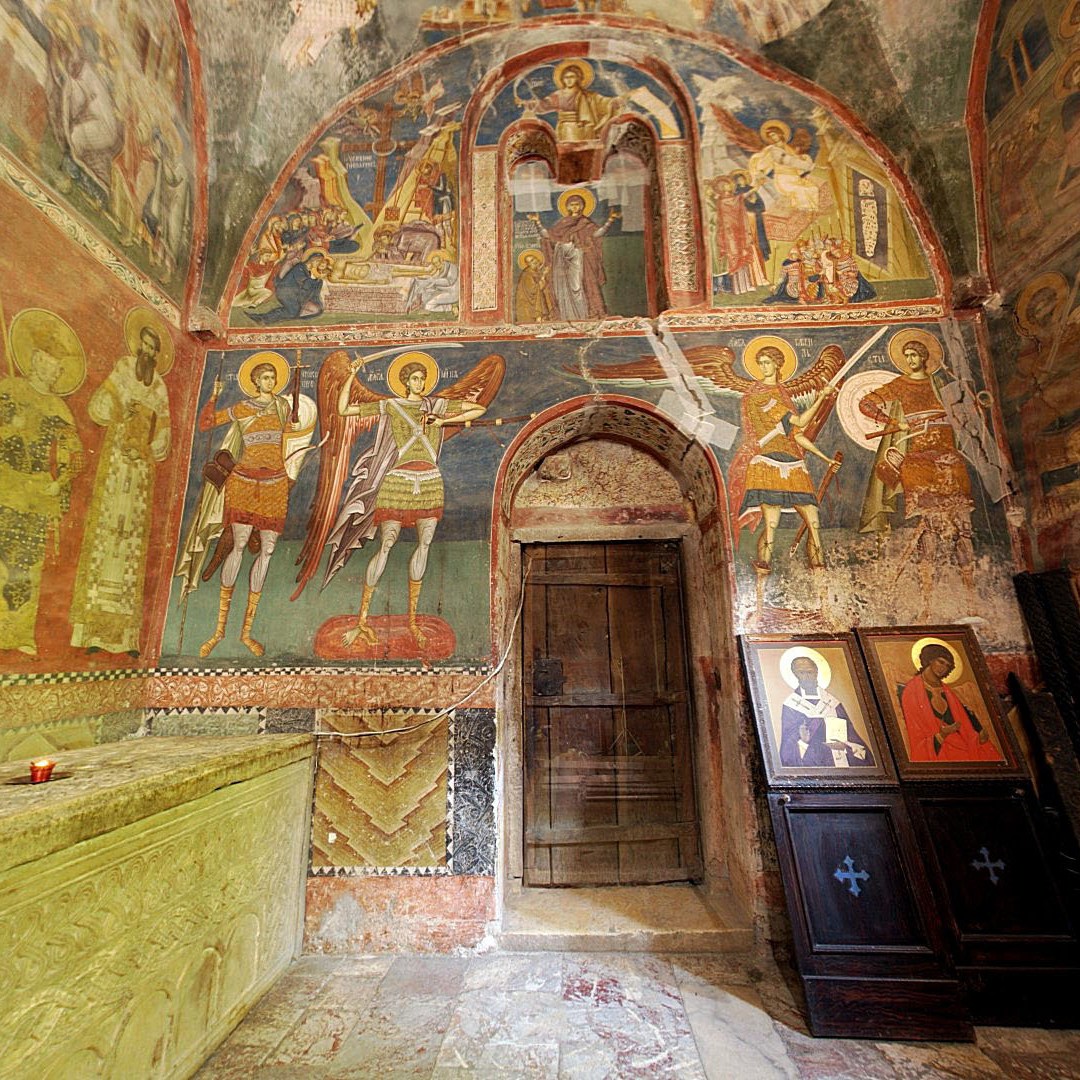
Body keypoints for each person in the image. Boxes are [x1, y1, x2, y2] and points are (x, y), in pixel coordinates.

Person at [328, 356, 487, 647]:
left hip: (430, 480)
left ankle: (413, 621)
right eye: (414, 378)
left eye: (422, 378)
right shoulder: (392, 405)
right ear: (405, 382)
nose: (420, 383)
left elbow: (479, 408)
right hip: (398, 480)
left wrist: (443, 420)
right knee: (386, 544)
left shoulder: (437, 405)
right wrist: (351, 375)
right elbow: (344, 409)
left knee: (424, 544)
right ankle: (362, 620)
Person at [69, 315, 171, 655]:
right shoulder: (124, 369)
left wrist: (151, 433)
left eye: (153, 349)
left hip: (140, 473)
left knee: (132, 546)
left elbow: (164, 439)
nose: (147, 352)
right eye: (145, 345)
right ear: (137, 345)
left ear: (157, 354)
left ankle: (126, 637)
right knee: (105, 535)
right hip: (115, 464)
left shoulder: (159, 387)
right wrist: (122, 410)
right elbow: (98, 408)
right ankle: (92, 632)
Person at [195, 360, 300, 656]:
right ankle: (218, 631)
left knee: (268, 550)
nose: (270, 381)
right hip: (243, 482)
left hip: (274, 483)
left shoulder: (282, 406)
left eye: (273, 377)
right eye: (265, 377)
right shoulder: (243, 408)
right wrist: (214, 395)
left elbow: (293, 432)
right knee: (238, 545)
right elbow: (206, 423)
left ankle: (247, 633)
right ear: (255, 382)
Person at [858, 333, 974, 591]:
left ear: (924, 357)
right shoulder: (900, 384)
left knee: (962, 523)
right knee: (929, 525)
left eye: (914, 355)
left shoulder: (940, 382)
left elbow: (963, 408)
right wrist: (892, 421)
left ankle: (969, 587)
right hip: (918, 457)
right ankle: (926, 589)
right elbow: (866, 403)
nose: (910, 360)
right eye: (907, 356)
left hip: (948, 455)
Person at [0, 321, 84, 655]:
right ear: (35, 360)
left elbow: (75, 457)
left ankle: (18, 634)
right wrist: (10, 426)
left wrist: (58, 483)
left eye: (59, 366)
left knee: (26, 564)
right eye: (50, 362)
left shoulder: (59, 409)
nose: (55, 370)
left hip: (36, 496)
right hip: (6, 484)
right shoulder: (9, 389)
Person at [730, 344, 839, 572]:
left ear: (778, 364)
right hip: (767, 461)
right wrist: (821, 396)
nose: (763, 367)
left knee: (814, 522)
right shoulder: (759, 395)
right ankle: (763, 568)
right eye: (760, 363)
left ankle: (819, 569)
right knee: (771, 523)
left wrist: (825, 458)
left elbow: (796, 434)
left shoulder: (782, 394)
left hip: (793, 462)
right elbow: (800, 422)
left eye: (767, 362)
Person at [899, 643, 1002, 762]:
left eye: (947, 666)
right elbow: (917, 735)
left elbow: (965, 728)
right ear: (930, 659)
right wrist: (942, 735)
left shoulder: (949, 694)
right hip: (935, 750)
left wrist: (978, 739)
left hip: (961, 747)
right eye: (941, 662)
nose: (943, 667)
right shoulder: (912, 691)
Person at [529, 193, 618, 320]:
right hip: (561, 260)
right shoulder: (562, 223)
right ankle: (566, 315)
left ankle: (586, 314)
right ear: (568, 207)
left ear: (582, 206)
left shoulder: (585, 223)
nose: (575, 207)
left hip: (579, 260)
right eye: (572, 205)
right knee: (562, 288)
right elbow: (547, 235)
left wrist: (610, 220)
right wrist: (537, 222)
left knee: (581, 285)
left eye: (577, 204)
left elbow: (597, 234)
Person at [779, 655, 873, 767]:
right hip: (813, 763)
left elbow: (852, 736)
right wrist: (803, 742)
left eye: (810, 672)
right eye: (801, 673)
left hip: (839, 760)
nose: (807, 676)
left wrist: (847, 746)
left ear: (816, 672)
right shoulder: (792, 705)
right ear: (795, 674)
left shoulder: (832, 703)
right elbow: (787, 750)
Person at [526, 60, 624, 143]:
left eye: (572, 77)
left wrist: (614, 101)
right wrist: (531, 104)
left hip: (586, 128)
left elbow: (603, 102)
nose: (568, 80)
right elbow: (545, 104)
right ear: (562, 79)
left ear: (578, 78)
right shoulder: (558, 95)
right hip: (567, 128)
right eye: (566, 77)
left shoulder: (588, 95)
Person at [711, 174, 768, 295]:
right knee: (735, 256)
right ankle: (738, 287)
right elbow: (743, 197)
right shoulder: (724, 200)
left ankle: (746, 285)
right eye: (727, 184)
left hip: (737, 230)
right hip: (730, 233)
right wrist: (756, 186)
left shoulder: (731, 198)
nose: (730, 185)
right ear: (722, 187)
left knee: (742, 254)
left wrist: (757, 187)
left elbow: (745, 198)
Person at [248, 249, 332, 322]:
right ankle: (262, 318)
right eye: (318, 262)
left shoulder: (309, 271)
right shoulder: (300, 267)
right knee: (293, 311)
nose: (318, 265)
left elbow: (309, 289)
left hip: (296, 295)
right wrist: (315, 280)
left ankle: (293, 315)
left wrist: (317, 281)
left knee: (317, 310)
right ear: (313, 260)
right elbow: (304, 283)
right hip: (285, 292)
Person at [514, 249, 555, 323]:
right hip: (530, 306)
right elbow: (535, 289)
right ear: (528, 264)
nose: (534, 262)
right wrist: (544, 275)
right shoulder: (527, 274)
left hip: (536, 303)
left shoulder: (535, 272)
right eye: (531, 261)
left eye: (534, 259)